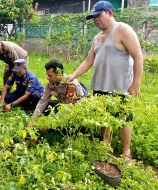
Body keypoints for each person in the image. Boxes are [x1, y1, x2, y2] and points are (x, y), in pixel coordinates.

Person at [68, 1, 143, 164]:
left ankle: (126, 152)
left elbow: (138, 56)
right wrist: (73, 75)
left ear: (109, 12)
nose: (95, 20)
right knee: (103, 116)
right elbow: (88, 61)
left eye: (98, 15)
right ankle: (105, 143)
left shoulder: (122, 30)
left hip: (120, 87)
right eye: (93, 17)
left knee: (124, 119)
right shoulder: (97, 37)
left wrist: (136, 84)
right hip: (100, 85)